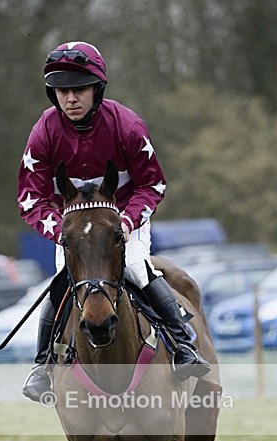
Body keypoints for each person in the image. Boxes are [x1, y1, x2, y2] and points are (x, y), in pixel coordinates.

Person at [18, 41, 210, 402]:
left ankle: (184, 348)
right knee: (63, 281)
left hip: (122, 221)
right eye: (62, 91)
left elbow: (152, 184)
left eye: (79, 90)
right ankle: (43, 365)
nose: (70, 99)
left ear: (97, 89)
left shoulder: (127, 126)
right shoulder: (43, 132)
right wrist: (57, 229)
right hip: (74, 230)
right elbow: (32, 198)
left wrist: (128, 220)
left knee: (137, 268)